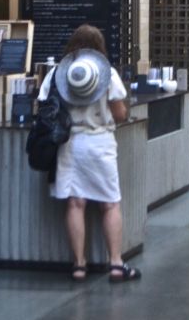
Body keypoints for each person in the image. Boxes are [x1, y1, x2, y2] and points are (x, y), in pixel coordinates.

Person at [51, 24, 140, 282]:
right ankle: (115, 263)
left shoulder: (60, 72)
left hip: (70, 144)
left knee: (75, 203)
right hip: (100, 143)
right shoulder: (107, 73)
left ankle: (79, 265)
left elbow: (46, 104)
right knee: (109, 204)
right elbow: (120, 112)